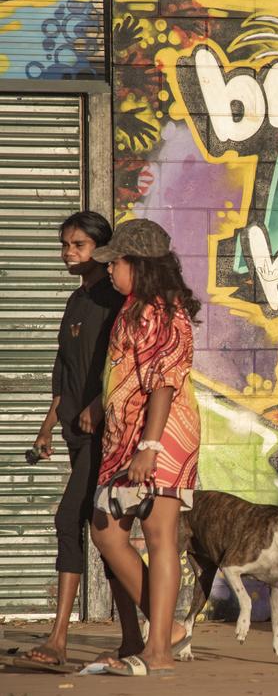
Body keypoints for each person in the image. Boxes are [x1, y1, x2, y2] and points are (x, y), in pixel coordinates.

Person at [18, 211, 143, 672]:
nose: (69, 253)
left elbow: (118, 366)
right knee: (105, 530)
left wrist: (96, 404)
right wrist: (48, 424)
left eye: (79, 245)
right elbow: (64, 370)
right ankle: (132, 639)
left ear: (101, 249)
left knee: (70, 517)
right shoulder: (76, 300)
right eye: (66, 245)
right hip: (74, 430)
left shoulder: (116, 301)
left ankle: (58, 639)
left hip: (104, 433)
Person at [89, 218, 202, 677]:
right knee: (107, 532)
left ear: (137, 263)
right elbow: (126, 372)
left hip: (161, 437)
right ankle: (165, 629)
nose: (110, 269)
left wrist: (150, 446)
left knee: (160, 538)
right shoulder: (134, 307)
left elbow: (164, 384)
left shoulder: (164, 310)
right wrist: (100, 405)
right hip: (126, 440)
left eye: (115, 261)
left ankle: (159, 651)